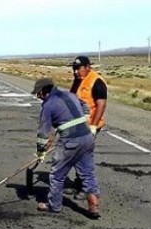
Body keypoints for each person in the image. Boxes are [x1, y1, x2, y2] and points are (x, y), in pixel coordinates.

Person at [32, 77, 100, 219]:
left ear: (45, 91)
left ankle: (54, 205)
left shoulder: (48, 105)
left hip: (70, 141)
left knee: (57, 175)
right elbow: (86, 107)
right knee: (87, 174)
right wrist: (80, 121)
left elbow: (43, 132)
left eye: (38, 93)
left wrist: (40, 151)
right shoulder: (70, 94)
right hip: (87, 137)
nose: (38, 96)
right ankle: (93, 206)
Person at [68, 55, 107, 196]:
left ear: (87, 67)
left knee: (82, 155)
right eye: (74, 69)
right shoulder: (78, 80)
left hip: (91, 125)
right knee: (75, 155)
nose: (75, 72)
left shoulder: (96, 81)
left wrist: (93, 127)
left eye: (78, 69)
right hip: (77, 125)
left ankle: (88, 189)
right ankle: (80, 184)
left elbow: (101, 104)